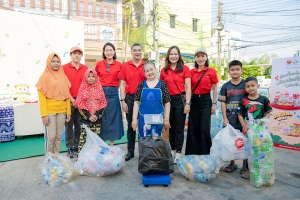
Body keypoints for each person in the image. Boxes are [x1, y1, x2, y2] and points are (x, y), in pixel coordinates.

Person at [160, 46, 191, 163]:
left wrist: (188, 103)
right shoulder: (164, 70)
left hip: (180, 100)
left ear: (179, 56)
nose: (173, 56)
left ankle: (178, 152)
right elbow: (161, 87)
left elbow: (188, 88)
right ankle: (172, 150)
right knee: (170, 127)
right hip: (167, 101)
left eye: (175, 54)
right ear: (168, 56)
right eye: (171, 54)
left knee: (179, 128)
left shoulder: (184, 69)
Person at [185, 48, 218, 155]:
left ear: (206, 57)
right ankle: (192, 155)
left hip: (206, 101)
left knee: (204, 127)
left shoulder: (211, 71)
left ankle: (205, 154)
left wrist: (214, 104)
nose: (200, 58)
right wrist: (188, 103)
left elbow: (214, 88)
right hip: (194, 101)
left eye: (202, 56)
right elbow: (188, 88)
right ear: (195, 58)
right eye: (198, 56)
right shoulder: (191, 72)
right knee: (193, 128)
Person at [36, 53, 71, 154]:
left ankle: (56, 159)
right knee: (51, 137)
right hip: (50, 111)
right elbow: (42, 97)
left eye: (58, 62)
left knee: (59, 137)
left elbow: (67, 94)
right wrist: (44, 114)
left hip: (62, 111)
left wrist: (68, 111)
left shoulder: (63, 76)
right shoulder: (44, 76)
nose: (56, 64)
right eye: (53, 61)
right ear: (48, 62)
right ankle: (48, 160)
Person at [238, 76, 272, 179]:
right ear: (245, 88)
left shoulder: (264, 99)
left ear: (258, 86)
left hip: (260, 130)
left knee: (260, 149)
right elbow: (240, 114)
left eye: (253, 85)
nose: (250, 88)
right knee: (249, 150)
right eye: (248, 86)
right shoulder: (243, 100)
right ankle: (249, 170)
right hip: (248, 129)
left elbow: (268, 113)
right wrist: (243, 125)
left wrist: (263, 121)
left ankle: (261, 169)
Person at [218, 60, 248, 174]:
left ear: (241, 70)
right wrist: (225, 118)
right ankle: (232, 163)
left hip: (244, 119)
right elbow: (223, 102)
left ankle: (245, 165)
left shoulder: (246, 85)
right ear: (229, 71)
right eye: (232, 70)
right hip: (230, 118)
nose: (235, 72)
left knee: (245, 141)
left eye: (237, 69)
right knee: (230, 142)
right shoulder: (225, 86)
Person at [119, 43, 146, 161]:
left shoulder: (146, 65)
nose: (137, 52)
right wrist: (123, 100)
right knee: (131, 125)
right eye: (135, 50)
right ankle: (130, 151)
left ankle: (144, 151)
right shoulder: (125, 66)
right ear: (131, 52)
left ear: (142, 52)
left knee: (144, 126)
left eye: (139, 50)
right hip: (129, 98)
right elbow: (122, 84)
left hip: (144, 98)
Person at [95, 42, 124, 146]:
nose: (109, 52)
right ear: (104, 52)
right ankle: (103, 143)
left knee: (113, 118)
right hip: (101, 92)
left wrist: (114, 89)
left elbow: (120, 82)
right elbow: (95, 79)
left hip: (113, 92)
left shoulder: (120, 65)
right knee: (102, 118)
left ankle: (111, 144)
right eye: (107, 50)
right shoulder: (99, 64)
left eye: (111, 50)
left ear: (114, 51)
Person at [131, 62, 171, 137]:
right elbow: (136, 103)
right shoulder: (141, 85)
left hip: (158, 119)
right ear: (144, 73)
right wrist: (134, 119)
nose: (150, 72)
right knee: (144, 143)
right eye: (147, 71)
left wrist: (166, 118)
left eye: (151, 69)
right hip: (143, 119)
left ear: (155, 70)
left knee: (156, 143)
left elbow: (167, 103)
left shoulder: (162, 84)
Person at [73, 69, 107, 155]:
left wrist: (96, 115)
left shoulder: (99, 88)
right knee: (84, 140)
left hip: (97, 119)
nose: (91, 78)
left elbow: (103, 103)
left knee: (95, 140)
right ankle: (82, 161)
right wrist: (89, 116)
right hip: (85, 120)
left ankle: (94, 161)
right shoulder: (82, 89)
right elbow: (80, 104)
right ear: (85, 77)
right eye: (89, 76)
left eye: (93, 76)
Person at [63, 46, 88, 158]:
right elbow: (63, 86)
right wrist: (72, 99)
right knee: (69, 125)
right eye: (74, 53)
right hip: (68, 100)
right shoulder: (64, 68)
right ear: (71, 55)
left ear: (81, 56)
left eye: (79, 53)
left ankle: (77, 146)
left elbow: (88, 85)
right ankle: (69, 147)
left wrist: (79, 99)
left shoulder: (85, 68)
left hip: (82, 101)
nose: (77, 55)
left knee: (79, 125)